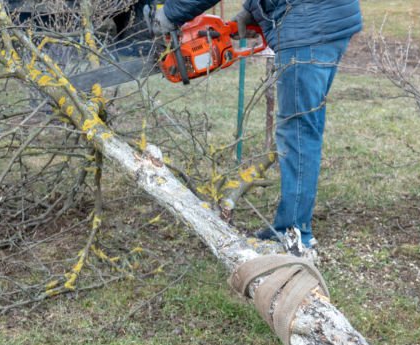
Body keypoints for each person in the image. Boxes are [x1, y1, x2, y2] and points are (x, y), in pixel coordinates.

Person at [154, 0, 362, 256]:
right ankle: (292, 226)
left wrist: (171, 14)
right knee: (307, 127)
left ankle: (294, 235)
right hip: (329, 19)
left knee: (298, 132)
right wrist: (254, 10)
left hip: (307, 26)